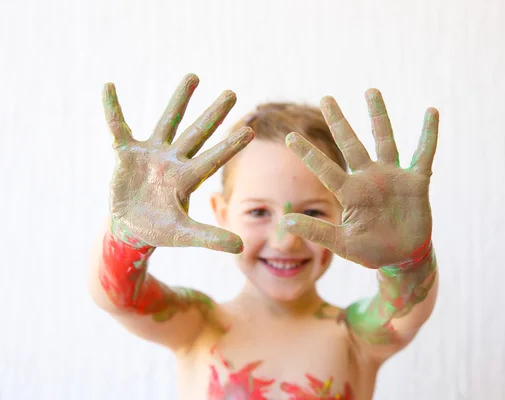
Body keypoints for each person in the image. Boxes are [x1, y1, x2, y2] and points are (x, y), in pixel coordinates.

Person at [88, 73, 440, 400]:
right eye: (258, 212)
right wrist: (126, 236)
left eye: (313, 213)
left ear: (344, 215)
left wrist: (409, 261)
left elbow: (408, 308)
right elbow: (118, 298)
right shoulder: (197, 324)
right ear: (222, 213)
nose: (285, 240)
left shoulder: (355, 336)